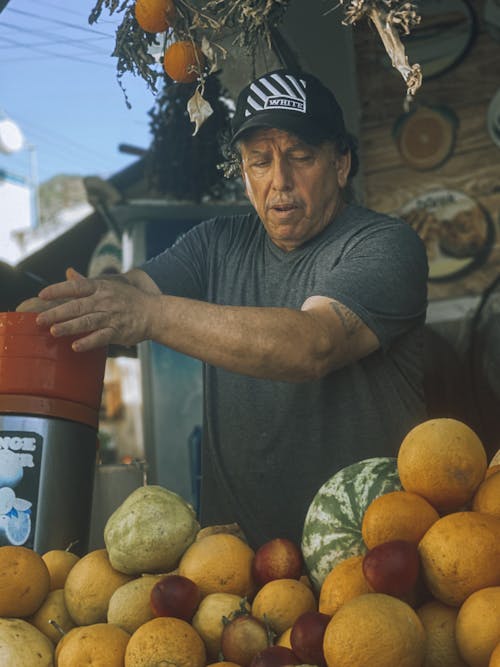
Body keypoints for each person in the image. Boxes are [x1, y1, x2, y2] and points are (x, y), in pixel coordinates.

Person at [18, 68, 428, 548]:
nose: (280, 181)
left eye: (300, 156)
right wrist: (36, 318)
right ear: (244, 173)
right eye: (260, 161)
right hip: (234, 569)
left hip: (370, 554)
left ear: (340, 164)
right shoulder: (216, 244)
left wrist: (146, 314)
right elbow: (125, 290)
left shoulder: (386, 244)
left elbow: (314, 344)